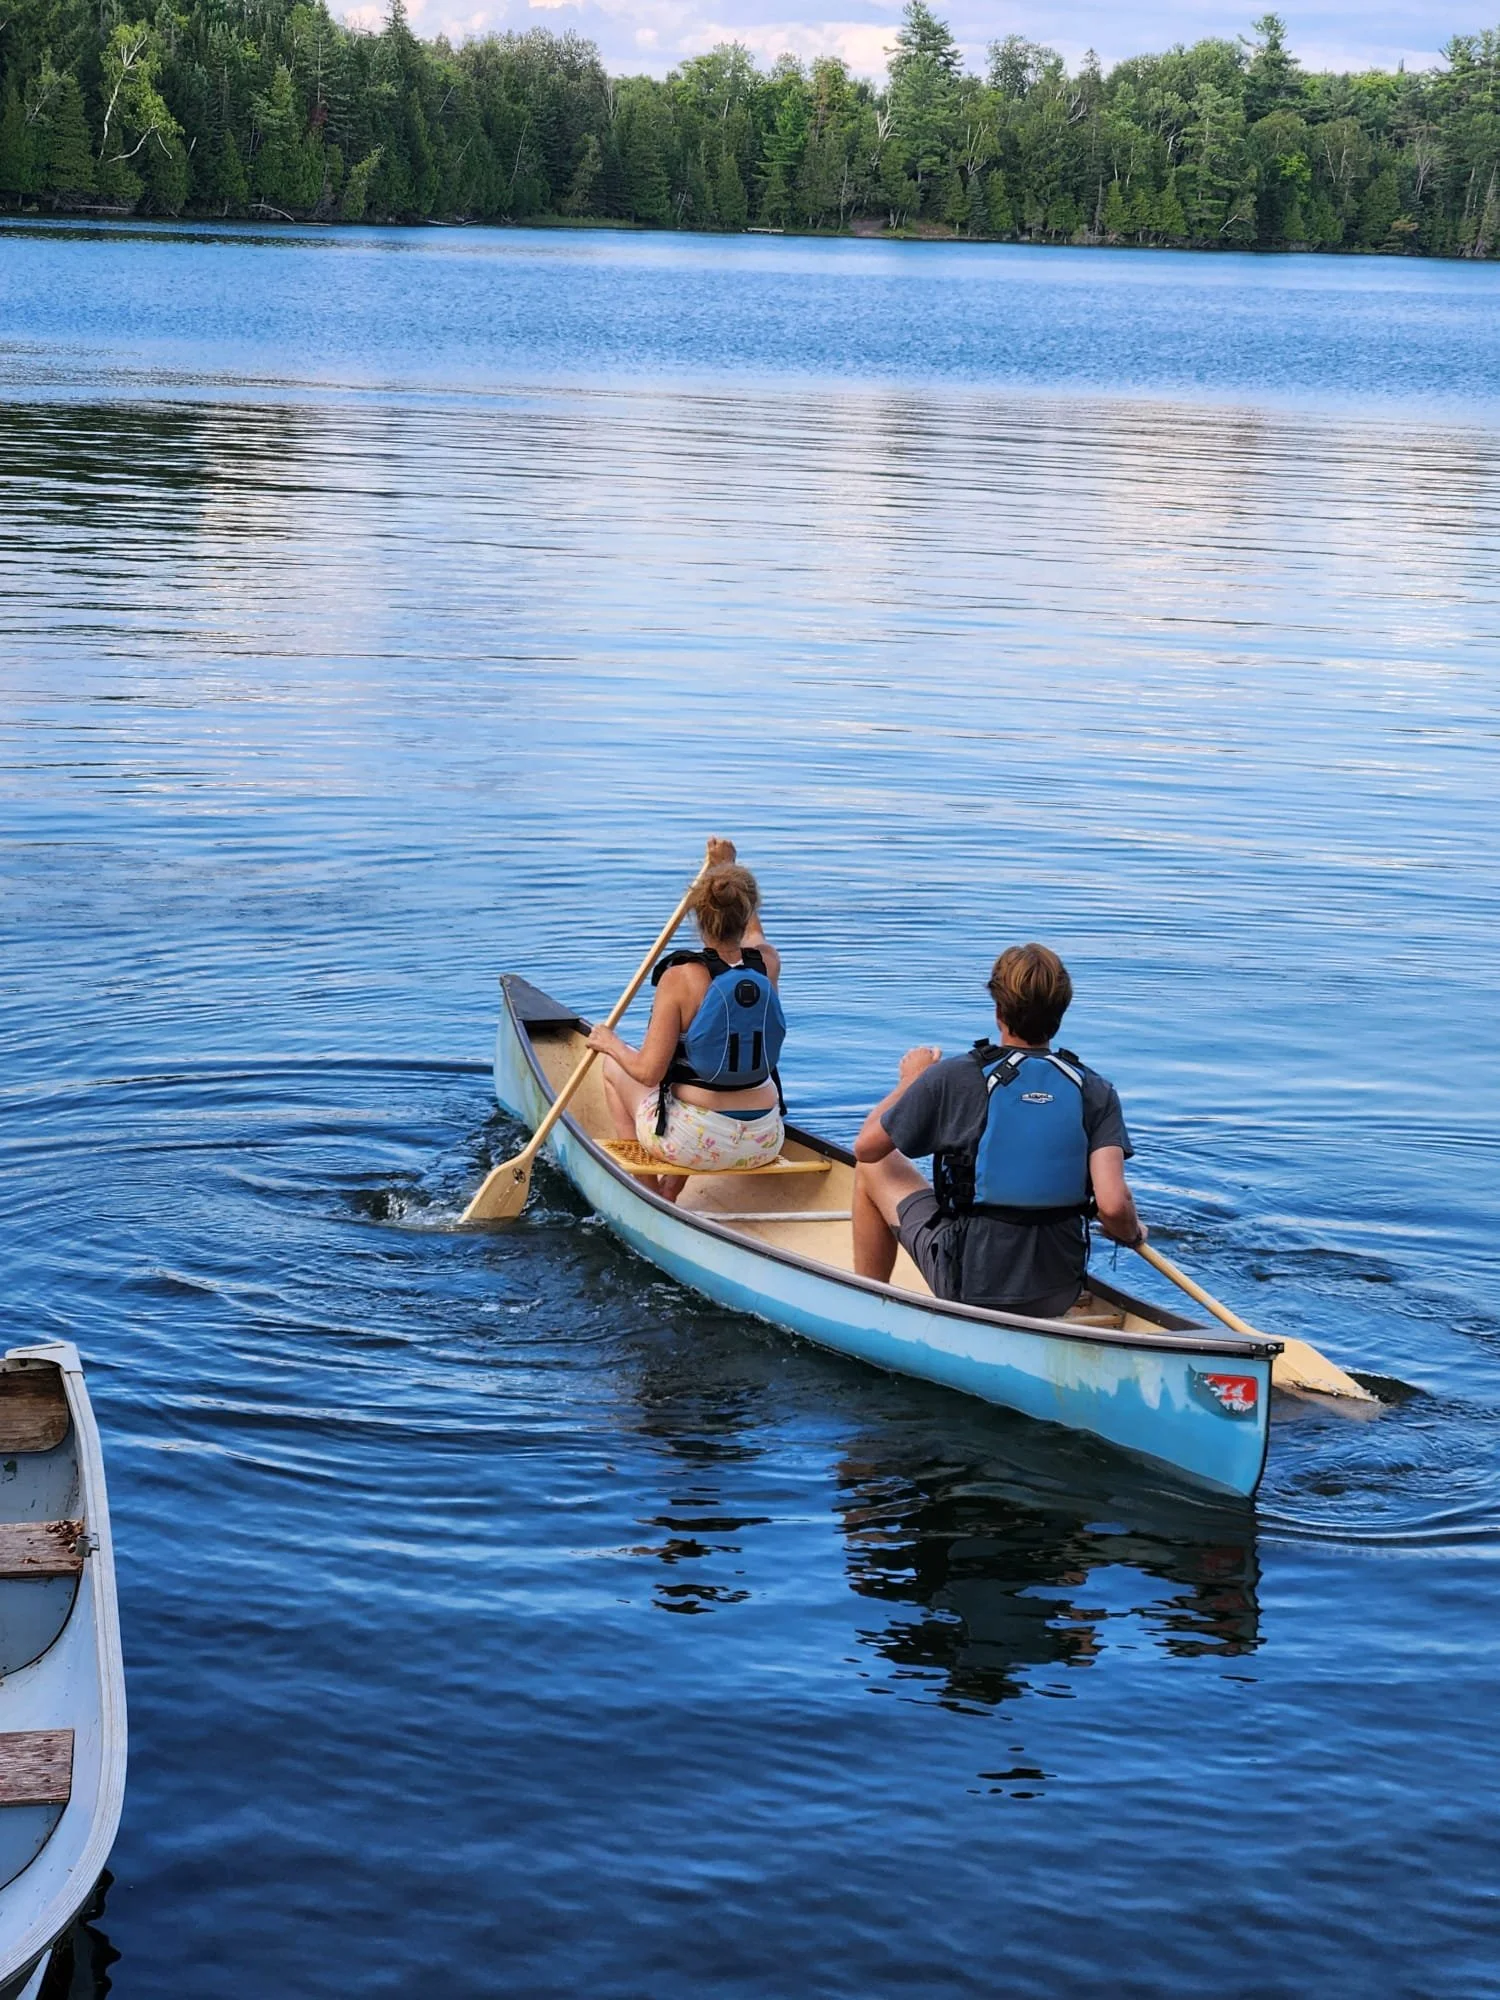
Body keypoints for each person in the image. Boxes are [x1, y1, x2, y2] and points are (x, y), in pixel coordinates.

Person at [852, 942, 1144, 1318]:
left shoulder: (954, 1076)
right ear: (1061, 1011)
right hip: (1061, 1289)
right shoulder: (1095, 1090)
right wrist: (1133, 1233)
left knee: (871, 1168)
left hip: (968, 1285)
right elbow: (1113, 1205)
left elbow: (866, 1147)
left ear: (998, 1010)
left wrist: (911, 1080)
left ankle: (865, 1306)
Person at [586, 839, 786, 1200]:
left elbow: (648, 1072)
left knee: (613, 1070)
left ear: (697, 916)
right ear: (749, 910)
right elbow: (752, 932)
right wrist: (725, 867)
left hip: (694, 1141)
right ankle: (670, 1190)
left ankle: (650, 1194)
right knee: (692, 1098)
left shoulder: (680, 976)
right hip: (765, 1137)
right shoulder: (768, 962)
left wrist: (609, 1042)